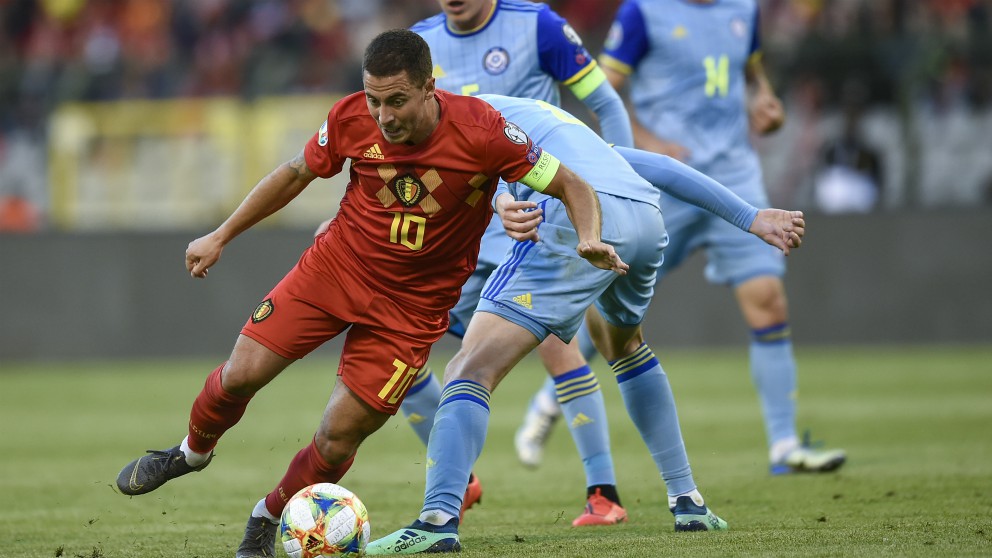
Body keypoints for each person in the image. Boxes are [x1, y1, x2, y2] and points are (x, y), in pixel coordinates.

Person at [112, 29, 625, 558]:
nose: (383, 115)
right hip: (336, 270)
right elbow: (295, 174)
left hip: (411, 310)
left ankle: (266, 518)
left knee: (338, 437)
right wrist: (221, 235)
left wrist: (589, 237)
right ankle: (190, 454)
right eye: (375, 100)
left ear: (430, 88)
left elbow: (572, 185)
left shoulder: (484, 130)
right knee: (240, 373)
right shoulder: (350, 117)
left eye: (397, 101)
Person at [364, 93, 807, 555]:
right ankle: (688, 501)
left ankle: (437, 520)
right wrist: (751, 216)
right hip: (642, 222)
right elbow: (656, 166)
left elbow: (468, 173)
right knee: (626, 348)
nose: (388, 118)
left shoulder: (463, 118)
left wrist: (498, 203)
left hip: (574, 223)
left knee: (469, 370)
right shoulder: (548, 120)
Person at [518, 0, 841, 475]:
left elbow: (750, 68)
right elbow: (606, 90)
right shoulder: (643, 13)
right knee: (611, 308)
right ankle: (553, 396)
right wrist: (647, 143)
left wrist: (763, 99)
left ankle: (784, 445)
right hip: (664, 180)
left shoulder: (743, 10)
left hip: (735, 175)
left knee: (768, 299)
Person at [398, 0, 636, 526]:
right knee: (393, 343)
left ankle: (604, 493)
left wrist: (621, 178)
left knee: (557, 347)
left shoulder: (538, 25)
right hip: (456, 225)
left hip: (534, 215)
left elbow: (607, 104)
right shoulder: (418, 43)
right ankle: (457, 477)